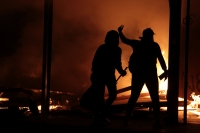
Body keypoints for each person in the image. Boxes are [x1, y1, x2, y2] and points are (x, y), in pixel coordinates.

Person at [117, 25, 168, 127]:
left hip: (138, 74)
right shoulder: (154, 46)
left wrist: (120, 32)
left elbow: (125, 40)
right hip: (150, 74)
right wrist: (165, 70)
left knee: (134, 97)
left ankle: (127, 120)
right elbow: (161, 59)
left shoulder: (137, 44)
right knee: (154, 98)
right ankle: (157, 120)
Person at [89, 30, 127, 126]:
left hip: (104, 75)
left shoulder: (103, 48)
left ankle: (99, 115)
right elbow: (117, 63)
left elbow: (95, 62)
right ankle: (100, 116)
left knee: (103, 97)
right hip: (104, 75)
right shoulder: (116, 49)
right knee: (109, 96)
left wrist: (121, 71)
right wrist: (122, 71)